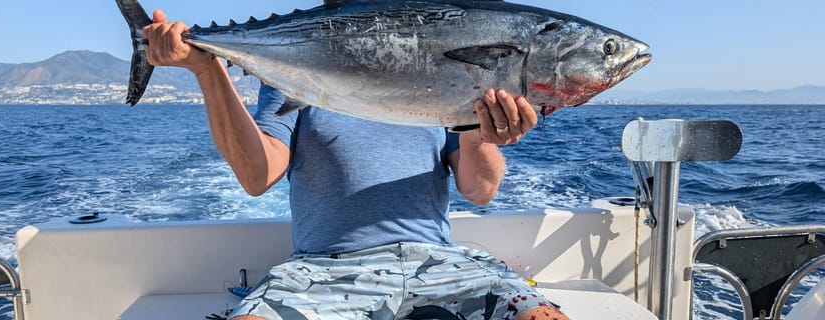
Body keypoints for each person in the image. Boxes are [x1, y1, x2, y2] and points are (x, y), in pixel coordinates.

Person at [142, 2, 568, 319]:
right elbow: (257, 176)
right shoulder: (293, 73)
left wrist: (481, 128)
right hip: (322, 270)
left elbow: (480, 190)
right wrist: (207, 70)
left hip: (438, 262)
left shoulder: (450, 78)